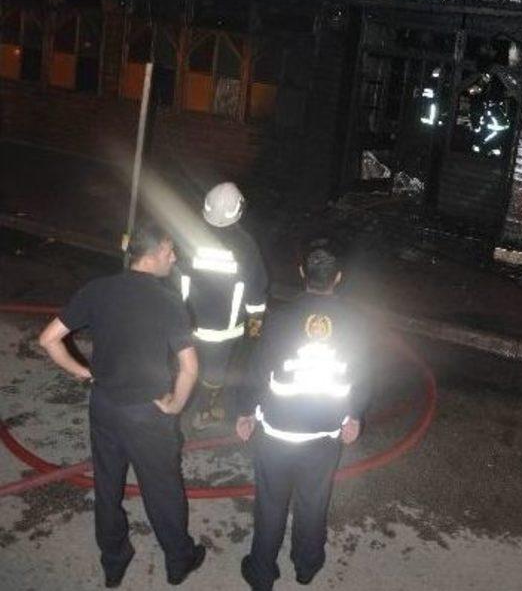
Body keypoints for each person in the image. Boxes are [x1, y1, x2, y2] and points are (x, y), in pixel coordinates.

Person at [38, 224, 206, 588]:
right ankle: (178, 560)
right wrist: (176, 405)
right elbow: (190, 367)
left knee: (108, 485)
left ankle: (114, 560)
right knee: (162, 488)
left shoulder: (98, 289)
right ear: (153, 254)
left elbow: (49, 339)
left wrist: (85, 373)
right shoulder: (167, 301)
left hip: (104, 405)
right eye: (169, 251)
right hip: (148, 414)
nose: (174, 258)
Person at [235, 245, 370, 591]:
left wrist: (246, 412)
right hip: (323, 435)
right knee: (313, 502)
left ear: (301, 274)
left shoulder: (278, 320)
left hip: (277, 432)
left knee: (270, 503)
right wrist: (353, 416)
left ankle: (262, 572)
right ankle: (306, 566)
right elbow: (363, 375)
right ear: (338, 279)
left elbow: (255, 371)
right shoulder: (355, 323)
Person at [180, 181, 268, 429]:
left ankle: (175, 405)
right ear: (239, 210)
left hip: (185, 323)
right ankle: (203, 413)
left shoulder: (186, 234)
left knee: (184, 365)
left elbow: (172, 276)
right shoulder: (246, 246)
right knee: (214, 373)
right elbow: (256, 296)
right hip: (223, 332)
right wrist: (254, 334)